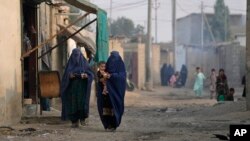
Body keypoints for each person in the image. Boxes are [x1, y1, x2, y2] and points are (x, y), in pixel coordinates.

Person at [60, 48, 94, 128]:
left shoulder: (85, 64)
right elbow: (65, 77)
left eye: (77, 55)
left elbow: (91, 74)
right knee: (73, 104)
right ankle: (74, 121)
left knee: (82, 103)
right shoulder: (69, 65)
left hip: (82, 89)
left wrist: (86, 76)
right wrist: (70, 76)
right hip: (72, 89)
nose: (76, 57)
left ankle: (82, 119)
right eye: (75, 55)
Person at [97, 51, 126, 131]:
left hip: (117, 93)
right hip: (107, 94)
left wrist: (112, 76)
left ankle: (114, 124)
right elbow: (100, 77)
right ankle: (108, 125)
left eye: (115, 58)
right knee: (106, 109)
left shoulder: (121, 67)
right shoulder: (107, 67)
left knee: (115, 108)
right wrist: (103, 78)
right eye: (112, 58)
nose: (113, 60)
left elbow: (122, 77)